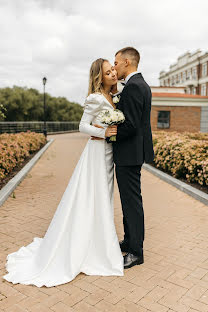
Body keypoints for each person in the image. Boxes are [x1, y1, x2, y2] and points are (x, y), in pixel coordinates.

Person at [2, 58, 124, 287]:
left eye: (113, 70)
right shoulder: (95, 98)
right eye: (108, 72)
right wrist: (105, 132)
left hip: (109, 155)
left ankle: (99, 240)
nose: (113, 74)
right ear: (99, 77)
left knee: (104, 198)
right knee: (92, 197)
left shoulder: (114, 96)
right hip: (97, 153)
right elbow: (82, 126)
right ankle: (92, 248)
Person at [92, 47, 154, 269]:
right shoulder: (138, 85)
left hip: (129, 153)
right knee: (129, 201)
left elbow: (131, 125)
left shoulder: (135, 87)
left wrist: (108, 133)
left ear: (127, 62)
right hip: (131, 153)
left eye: (117, 63)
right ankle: (129, 241)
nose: (115, 67)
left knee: (132, 203)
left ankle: (136, 252)